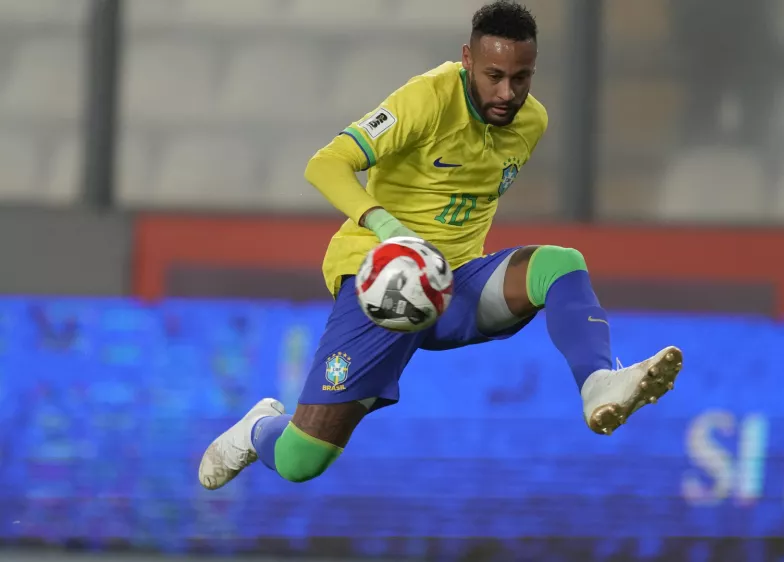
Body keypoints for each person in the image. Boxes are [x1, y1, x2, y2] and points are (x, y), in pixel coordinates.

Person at [198, 1, 682, 489]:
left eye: (521, 77)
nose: (506, 92)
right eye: (494, 74)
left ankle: (598, 382)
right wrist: (387, 228)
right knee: (303, 460)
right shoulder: (425, 100)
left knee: (559, 265)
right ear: (468, 58)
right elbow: (325, 164)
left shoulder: (532, 122)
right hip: (384, 282)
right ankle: (258, 426)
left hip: (452, 285)